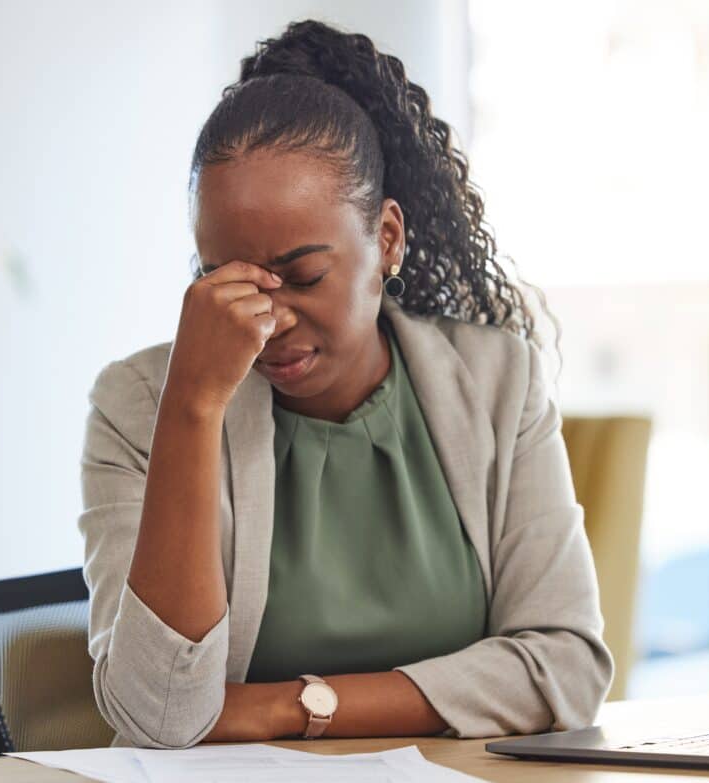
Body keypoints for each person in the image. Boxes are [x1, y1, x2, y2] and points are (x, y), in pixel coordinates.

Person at [78, 19, 613, 750]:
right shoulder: (139, 405)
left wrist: (289, 707)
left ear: (386, 238)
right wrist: (193, 409)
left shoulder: (497, 383)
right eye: (227, 282)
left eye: (304, 276)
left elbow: (567, 665)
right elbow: (161, 716)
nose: (268, 321)